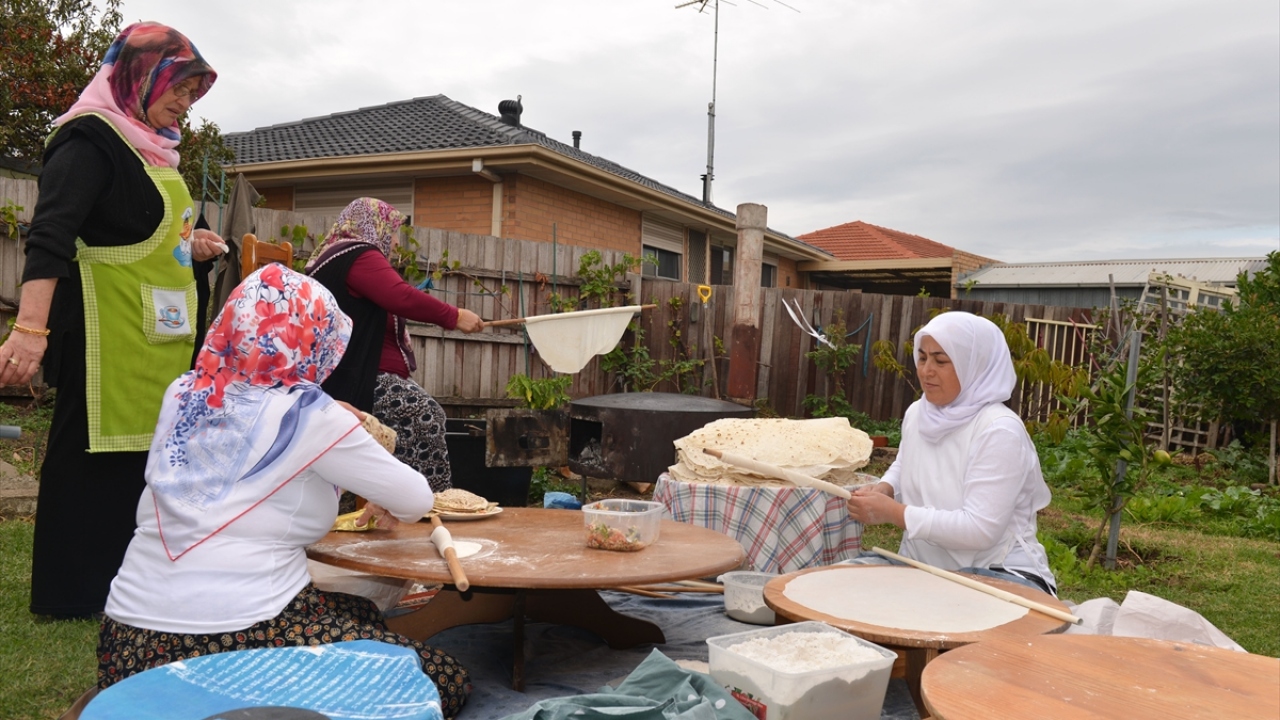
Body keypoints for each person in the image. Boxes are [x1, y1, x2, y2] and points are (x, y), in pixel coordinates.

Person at [97, 265, 471, 717]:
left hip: (129, 641)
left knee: (361, 613)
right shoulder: (310, 413)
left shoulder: (184, 393)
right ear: (309, 340)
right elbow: (415, 499)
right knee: (445, 678)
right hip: (236, 641)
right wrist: (342, 425)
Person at [0, 22, 226, 618]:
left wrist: (192, 249)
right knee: (87, 457)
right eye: (179, 87)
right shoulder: (89, 140)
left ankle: (129, 581)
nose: (186, 102)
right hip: (100, 331)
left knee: (140, 461)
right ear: (138, 76)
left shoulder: (157, 149)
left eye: (194, 92)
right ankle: (72, 594)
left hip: (158, 337)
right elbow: (50, 235)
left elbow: (150, 240)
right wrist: (29, 330)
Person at [845, 311, 1057, 596]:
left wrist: (896, 514)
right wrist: (887, 487)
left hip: (998, 572)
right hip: (923, 565)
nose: (926, 370)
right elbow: (907, 462)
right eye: (922, 358)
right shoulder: (918, 413)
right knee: (841, 585)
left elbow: (980, 530)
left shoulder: (998, 430)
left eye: (941, 360)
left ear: (974, 365)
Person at [305, 198, 484, 492]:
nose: (397, 243)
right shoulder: (358, 254)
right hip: (350, 382)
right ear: (373, 226)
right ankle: (431, 503)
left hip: (349, 376)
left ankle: (394, 499)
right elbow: (401, 297)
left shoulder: (337, 257)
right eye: (394, 231)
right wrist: (455, 316)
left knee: (410, 421)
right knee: (424, 414)